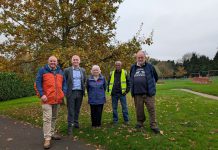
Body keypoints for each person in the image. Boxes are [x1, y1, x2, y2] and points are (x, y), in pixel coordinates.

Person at [35, 56, 67, 149]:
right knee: (47, 118)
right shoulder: (42, 70)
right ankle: (47, 138)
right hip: (47, 99)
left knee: (54, 117)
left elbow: (64, 83)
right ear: (48, 61)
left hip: (57, 99)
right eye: (51, 61)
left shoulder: (60, 71)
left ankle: (52, 133)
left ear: (57, 62)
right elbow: (37, 83)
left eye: (54, 61)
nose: (53, 62)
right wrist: (41, 95)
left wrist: (63, 93)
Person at [130, 50, 160, 134]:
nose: (140, 59)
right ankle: (140, 122)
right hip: (137, 93)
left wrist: (151, 86)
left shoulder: (150, 66)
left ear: (145, 57)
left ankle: (153, 125)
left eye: (141, 57)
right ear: (136, 58)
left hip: (148, 93)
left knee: (151, 109)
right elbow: (131, 78)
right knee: (139, 110)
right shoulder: (133, 67)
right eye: (138, 57)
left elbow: (156, 77)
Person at [64, 55, 86, 135]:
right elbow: (64, 82)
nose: (75, 61)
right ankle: (70, 126)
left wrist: (83, 89)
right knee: (71, 110)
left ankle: (76, 123)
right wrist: (65, 92)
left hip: (80, 92)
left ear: (79, 61)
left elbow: (84, 80)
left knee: (77, 109)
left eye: (77, 60)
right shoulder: (67, 70)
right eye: (74, 60)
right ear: (71, 61)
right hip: (71, 93)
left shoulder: (83, 70)